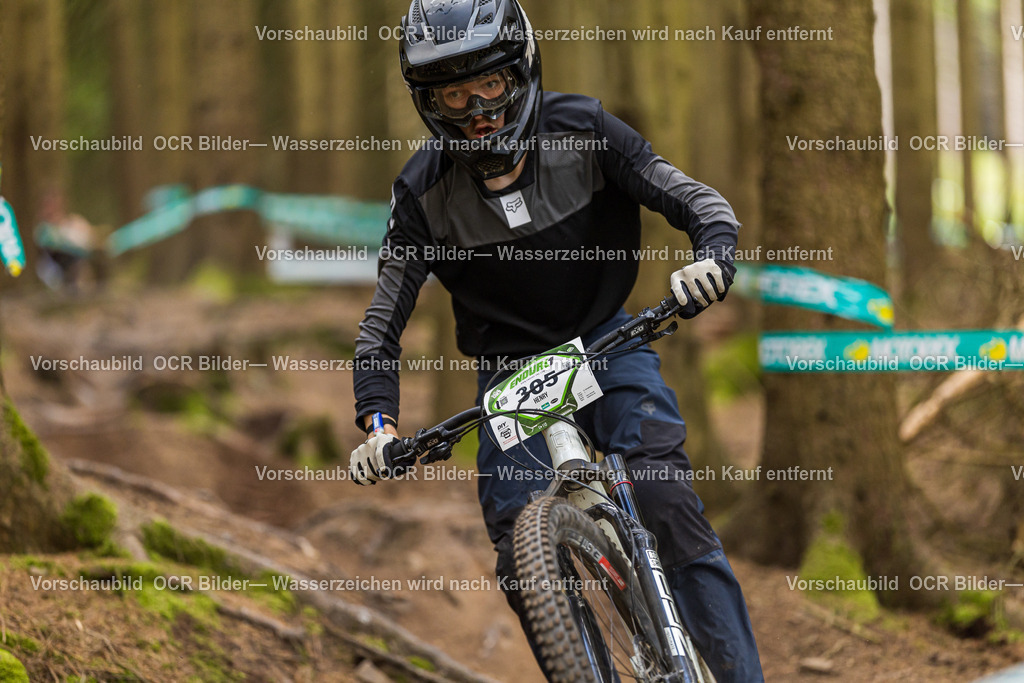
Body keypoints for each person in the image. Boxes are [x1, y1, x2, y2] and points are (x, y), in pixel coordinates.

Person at [350, 1, 763, 680]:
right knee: (520, 545)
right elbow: (382, 323)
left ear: (520, 71)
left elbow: (693, 198)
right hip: (510, 373)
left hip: (607, 339)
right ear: (428, 101)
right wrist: (379, 423)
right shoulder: (422, 192)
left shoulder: (585, 128)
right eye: (453, 93)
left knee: (665, 500)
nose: (476, 108)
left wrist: (712, 256)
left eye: (488, 84)